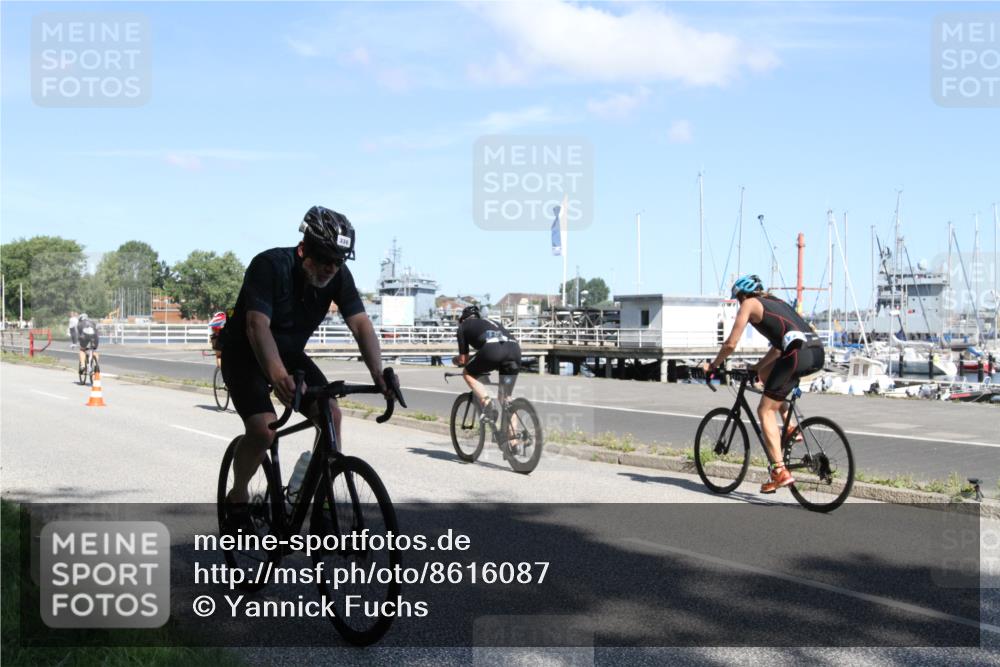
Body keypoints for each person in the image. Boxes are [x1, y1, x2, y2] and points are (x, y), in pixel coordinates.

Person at [220, 206, 388, 511]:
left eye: (338, 262)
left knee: (331, 415)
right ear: (305, 249)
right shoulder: (269, 265)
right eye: (325, 259)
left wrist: (379, 374)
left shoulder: (337, 276)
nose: (330, 268)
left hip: (289, 354)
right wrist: (277, 377)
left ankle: (305, 491)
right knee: (263, 429)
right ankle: (239, 493)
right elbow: (257, 325)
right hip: (244, 353)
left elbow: (361, 323)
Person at [702, 275, 824, 494]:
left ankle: (779, 471)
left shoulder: (749, 304)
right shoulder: (777, 302)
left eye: (738, 299)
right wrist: (758, 367)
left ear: (742, 295)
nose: (740, 303)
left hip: (796, 355)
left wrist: (713, 365)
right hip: (815, 353)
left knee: (764, 410)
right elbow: (778, 348)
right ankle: (790, 428)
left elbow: (730, 344)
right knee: (769, 377)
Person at [452, 305, 521, 421]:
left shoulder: (463, 326)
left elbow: (463, 360)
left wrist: (455, 360)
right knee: (506, 399)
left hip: (494, 350)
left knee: (467, 373)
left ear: (462, 319)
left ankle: (488, 405)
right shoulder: (491, 322)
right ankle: (513, 438)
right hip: (515, 349)